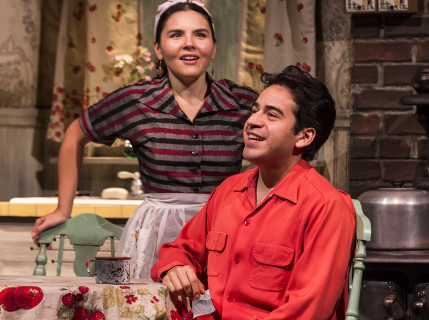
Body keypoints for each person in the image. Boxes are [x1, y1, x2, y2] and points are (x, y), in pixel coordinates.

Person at [31, 0, 258, 280]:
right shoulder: (135, 101)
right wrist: (62, 209)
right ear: (158, 49)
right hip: (155, 232)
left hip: (224, 228)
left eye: (200, 34)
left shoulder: (243, 101)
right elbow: (75, 134)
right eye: (176, 35)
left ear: (213, 48)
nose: (189, 43)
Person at [151, 66, 356, 320]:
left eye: (272, 115)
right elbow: (179, 250)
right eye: (255, 110)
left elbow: (307, 311)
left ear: (304, 136)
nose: (253, 121)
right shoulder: (228, 191)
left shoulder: (326, 206)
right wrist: (176, 266)